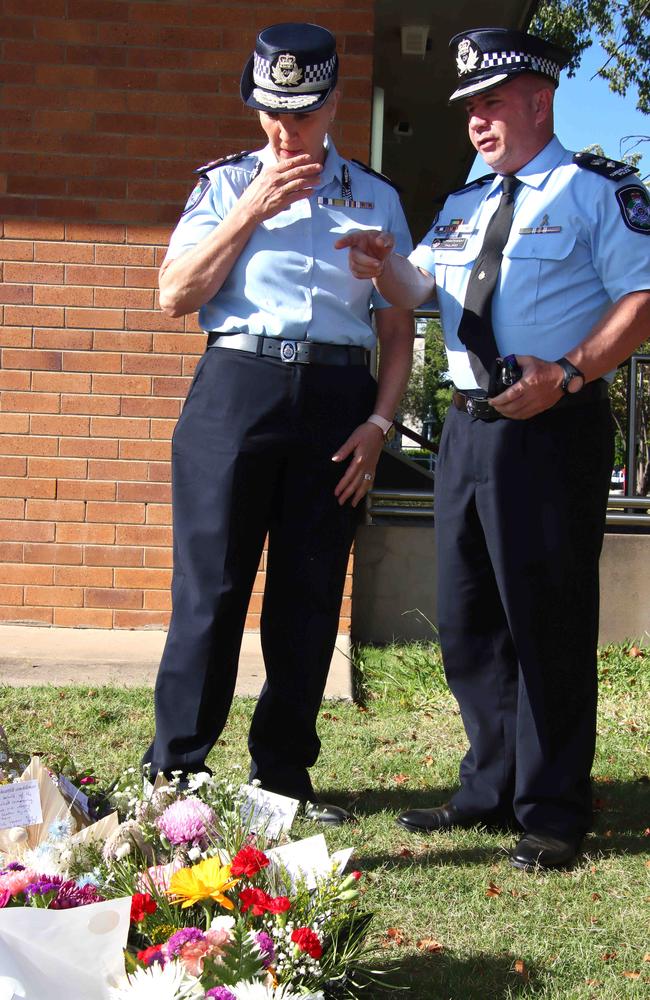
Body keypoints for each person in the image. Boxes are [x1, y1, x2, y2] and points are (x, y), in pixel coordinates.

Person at [337, 28, 650, 865]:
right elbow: (423, 286)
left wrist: (574, 375)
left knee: (546, 621)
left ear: (540, 100)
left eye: (491, 102)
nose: (477, 122)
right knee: (470, 622)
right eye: (469, 108)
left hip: (552, 428)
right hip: (468, 433)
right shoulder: (465, 203)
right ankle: (489, 788)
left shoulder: (595, 193)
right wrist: (382, 268)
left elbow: (641, 300)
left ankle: (552, 810)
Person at [142, 22, 414, 824]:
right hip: (237, 387)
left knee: (308, 594)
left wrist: (379, 421)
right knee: (210, 589)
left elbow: (399, 325)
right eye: (269, 110)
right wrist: (251, 210)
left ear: (334, 101)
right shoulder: (224, 185)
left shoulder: (376, 195)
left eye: (300, 111)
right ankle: (176, 777)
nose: (284, 128)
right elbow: (174, 294)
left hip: (337, 399)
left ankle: (282, 783)